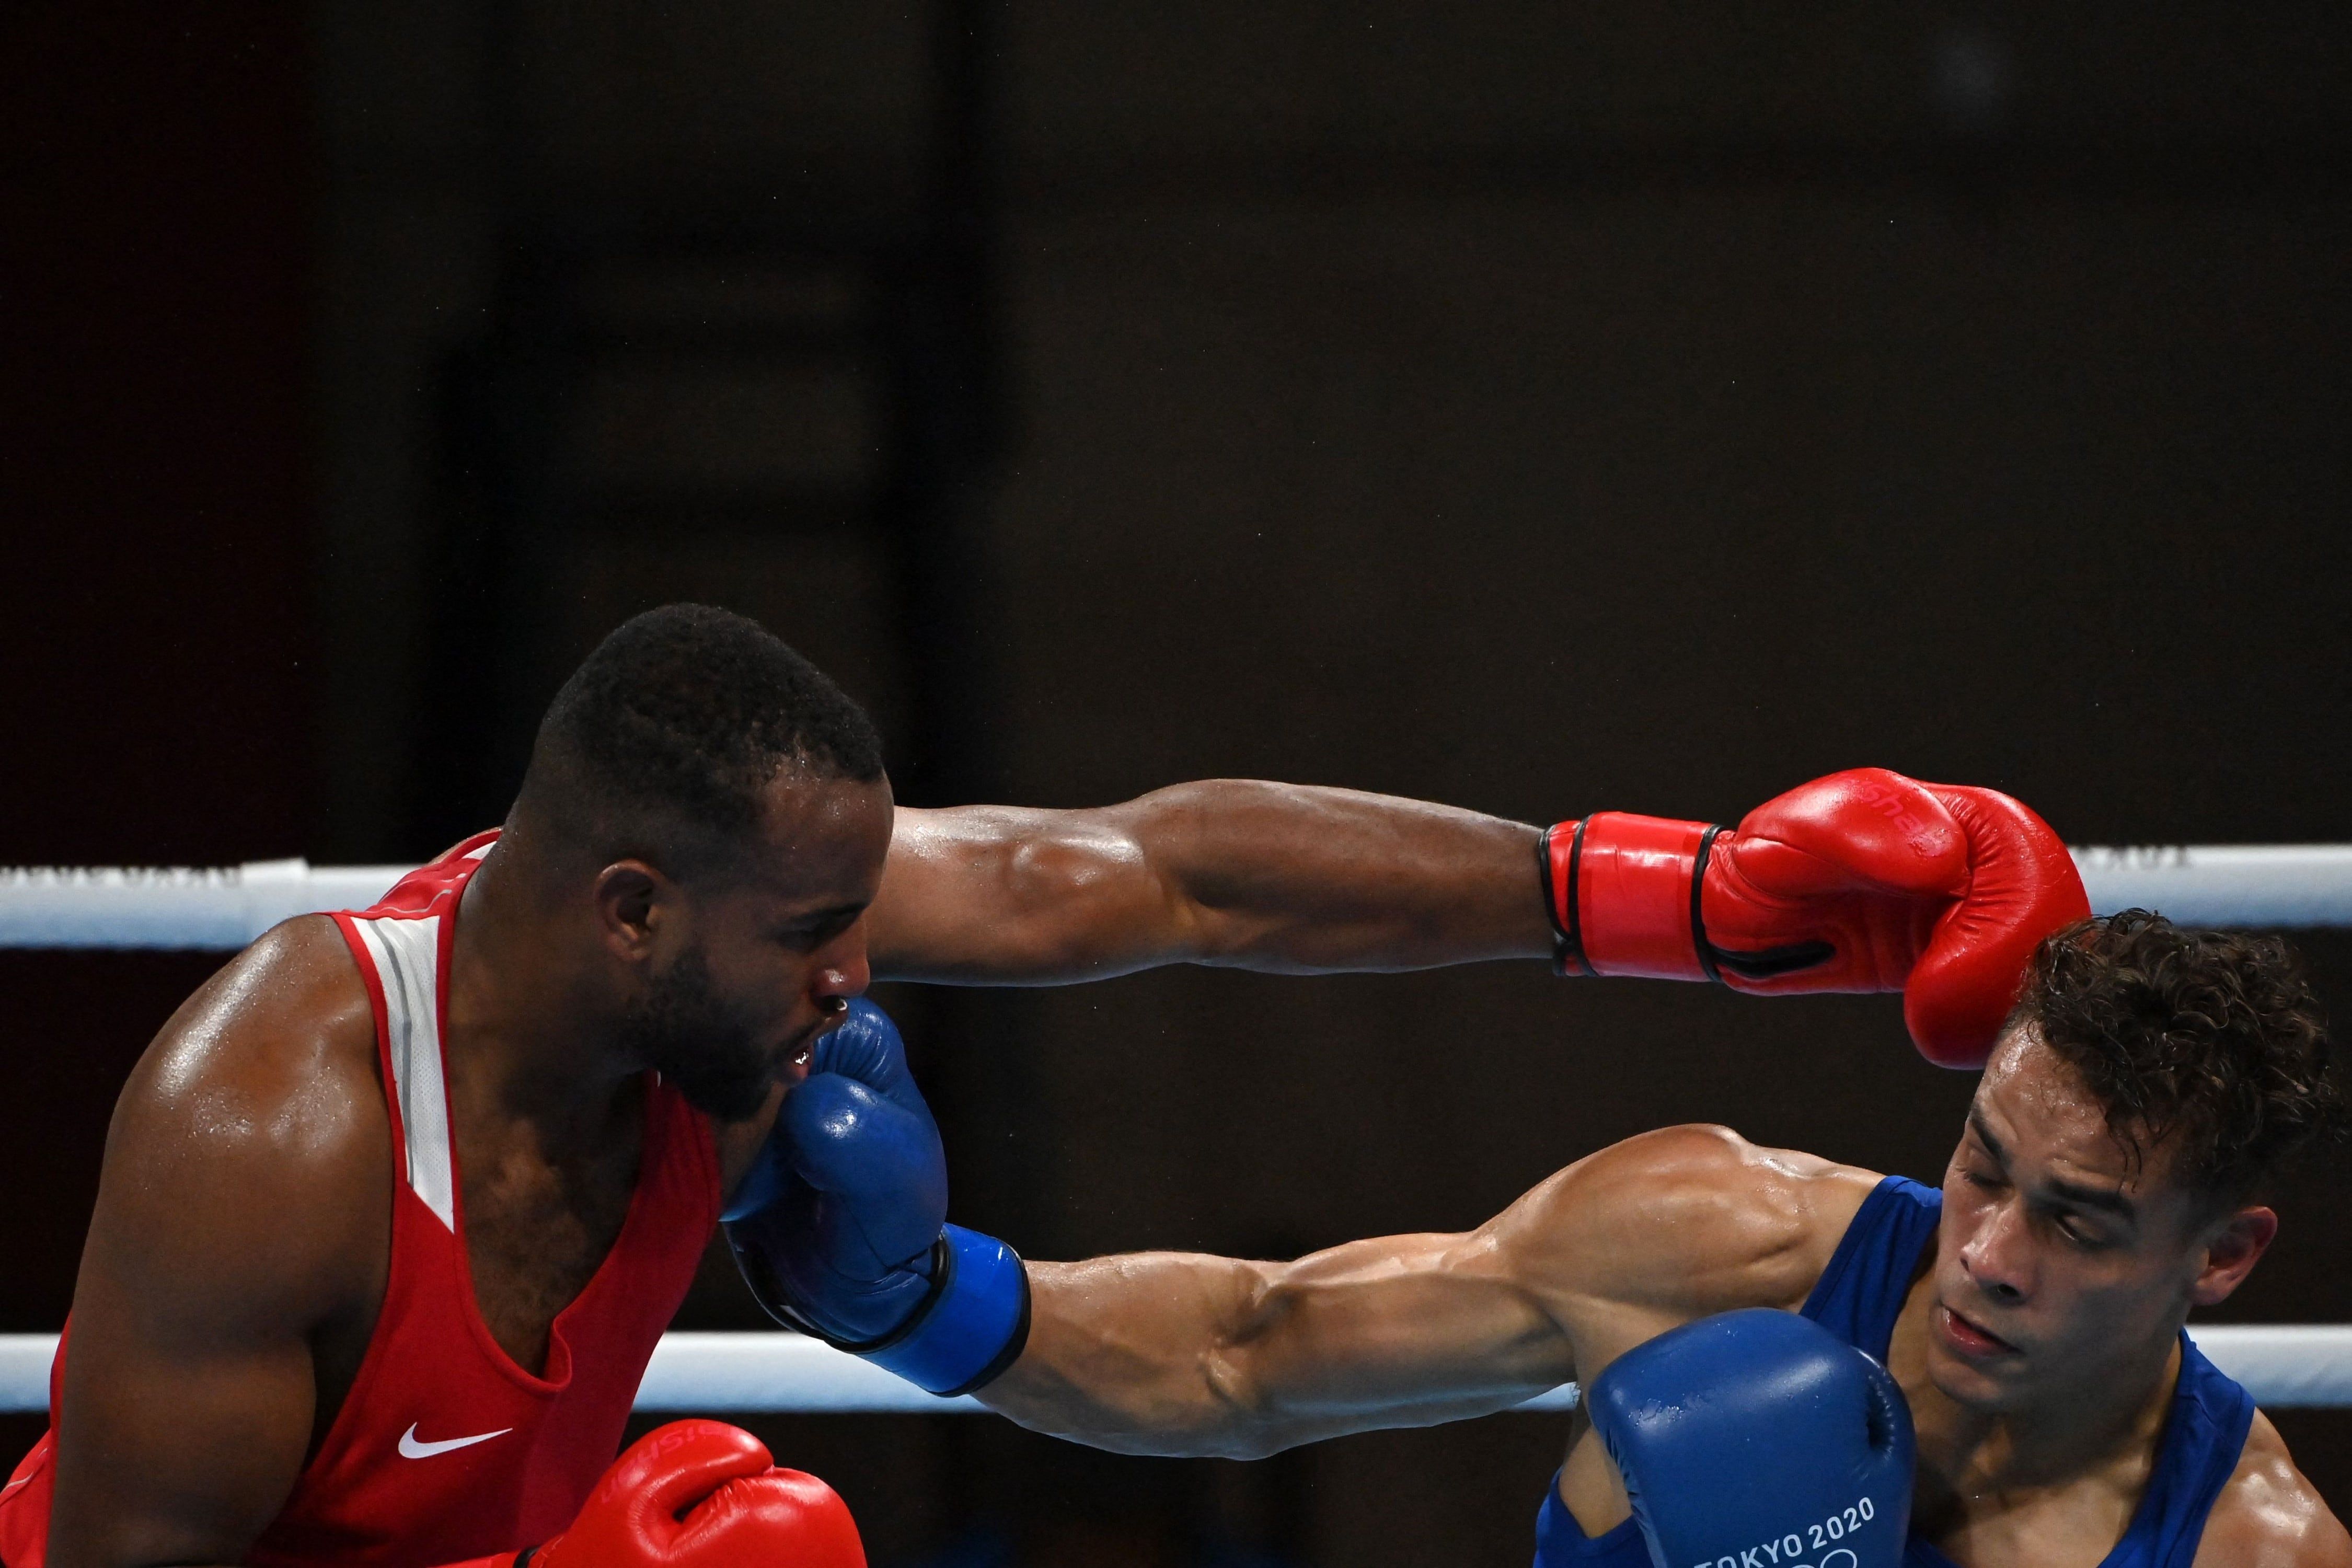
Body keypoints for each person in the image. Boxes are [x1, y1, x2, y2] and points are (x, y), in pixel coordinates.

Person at [1, 603, 2083, 1568]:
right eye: (814, 935)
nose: (861, 976)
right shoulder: (270, 1139)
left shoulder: (726, 975)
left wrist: (1667, 901)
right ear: (632, 914)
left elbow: (1170, 875)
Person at [743, 913, 2351, 1566]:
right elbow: (1249, 1352)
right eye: (1984, 1168)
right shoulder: (1718, 1244)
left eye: (2076, 1224)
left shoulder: (2251, 1552)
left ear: (2220, 1259)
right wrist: (917, 1301)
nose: (1990, 1250)